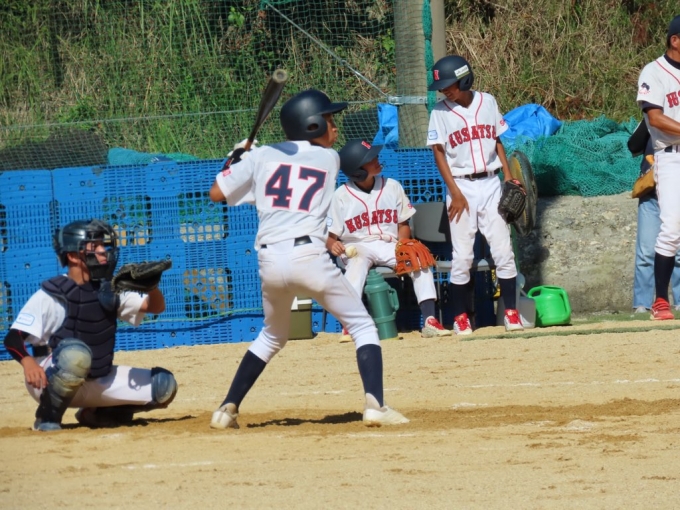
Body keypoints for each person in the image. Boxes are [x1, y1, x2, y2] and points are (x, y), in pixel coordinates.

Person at [207, 89, 409, 429]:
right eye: (328, 119)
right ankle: (376, 405)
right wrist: (249, 159)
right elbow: (290, 163)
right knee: (362, 326)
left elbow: (217, 193)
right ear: (311, 125)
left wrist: (237, 159)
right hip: (309, 258)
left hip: (270, 262)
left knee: (272, 336)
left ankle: (226, 409)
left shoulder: (262, 157)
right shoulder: (329, 159)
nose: (334, 126)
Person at [2, 219, 178, 431]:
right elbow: (13, 338)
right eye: (95, 246)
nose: (103, 251)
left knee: (164, 386)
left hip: (96, 379)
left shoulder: (108, 289)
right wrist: (28, 362)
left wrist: (151, 287)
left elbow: (155, 307)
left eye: (104, 245)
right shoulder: (51, 295)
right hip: (48, 380)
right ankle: (47, 417)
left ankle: (96, 414)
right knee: (75, 355)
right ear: (73, 256)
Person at [426, 55, 523, 334]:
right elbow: (439, 153)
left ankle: (511, 313)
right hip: (462, 186)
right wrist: (455, 192)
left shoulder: (487, 101)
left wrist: (507, 175)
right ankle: (460, 317)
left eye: (449, 85)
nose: (445, 90)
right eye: (442, 87)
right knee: (463, 256)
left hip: (491, 183)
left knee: (503, 251)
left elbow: (497, 139)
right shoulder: (440, 112)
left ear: (465, 79)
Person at [326, 138, 451, 339]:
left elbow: (403, 224)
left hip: (389, 244)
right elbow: (329, 236)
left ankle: (430, 320)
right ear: (358, 170)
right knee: (357, 262)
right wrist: (333, 245)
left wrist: (403, 243)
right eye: (370, 159)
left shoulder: (392, 186)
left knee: (418, 257)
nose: (377, 159)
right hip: (356, 246)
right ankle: (349, 323)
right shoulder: (340, 196)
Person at [636, 14, 680, 320]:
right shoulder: (654, 71)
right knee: (672, 228)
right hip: (671, 156)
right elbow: (655, 118)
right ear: (675, 40)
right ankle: (661, 300)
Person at [629, 126, 680, 313]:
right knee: (646, 252)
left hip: (676, 192)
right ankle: (642, 304)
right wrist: (650, 121)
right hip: (651, 194)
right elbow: (633, 146)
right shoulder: (653, 118)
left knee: (677, 252)